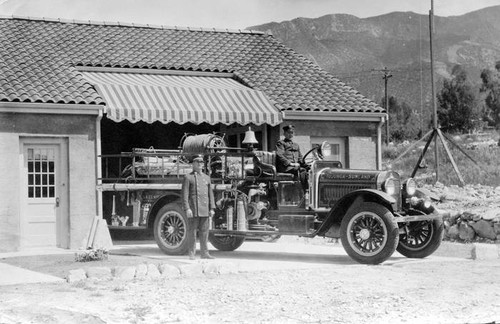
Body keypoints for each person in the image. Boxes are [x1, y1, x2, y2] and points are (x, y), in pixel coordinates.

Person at [182, 155, 215, 260]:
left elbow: (210, 195)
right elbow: (185, 195)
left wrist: (212, 208)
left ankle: (204, 253)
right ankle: (191, 253)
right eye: (197, 162)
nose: (200, 164)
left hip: (204, 209)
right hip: (194, 209)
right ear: (193, 164)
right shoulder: (188, 177)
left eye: (201, 162)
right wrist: (187, 208)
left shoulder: (206, 178)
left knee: (205, 232)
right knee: (192, 231)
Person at [275, 124, 309, 192]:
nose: (290, 134)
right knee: (302, 171)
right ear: (284, 133)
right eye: (288, 132)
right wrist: (290, 164)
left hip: (295, 168)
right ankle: (305, 192)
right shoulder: (281, 143)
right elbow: (279, 155)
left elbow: (300, 158)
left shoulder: (296, 145)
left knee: (309, 170)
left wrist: (308, 166)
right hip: (286, 168)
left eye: (292, 133)